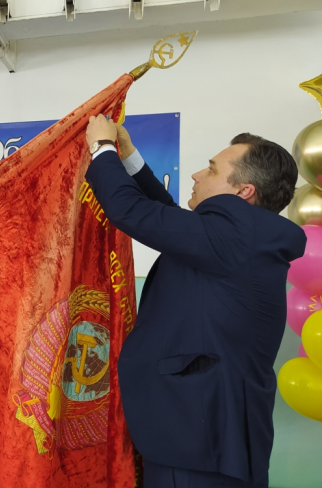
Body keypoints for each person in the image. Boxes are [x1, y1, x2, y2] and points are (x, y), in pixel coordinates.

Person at [84, 115, 306, 488]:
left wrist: (101, 148)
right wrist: (129, 155)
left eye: (212, 169)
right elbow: (169, 218)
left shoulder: (237, 236)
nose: (196, 175)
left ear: (244, 191)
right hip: (202, 438)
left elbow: (133, 212)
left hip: (196, 443)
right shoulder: (242, 238)